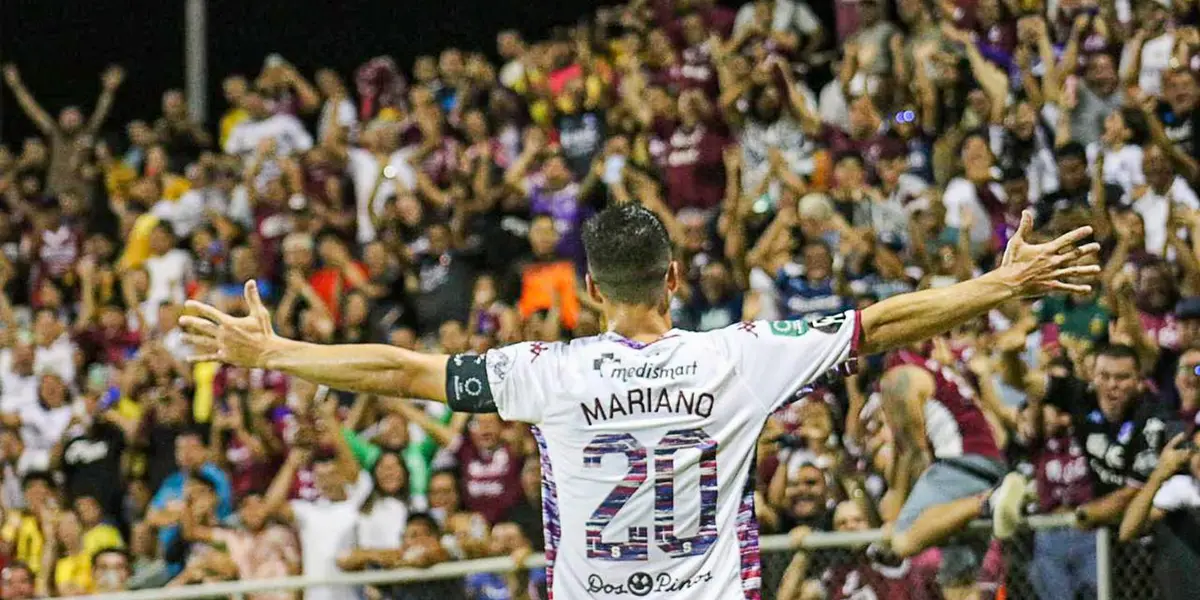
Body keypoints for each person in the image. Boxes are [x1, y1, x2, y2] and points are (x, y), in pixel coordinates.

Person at [180, 203, 1098, 598]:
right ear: (673, 277)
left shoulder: (552, 371)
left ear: (589, 287)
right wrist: (997, 285)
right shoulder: (737, 358)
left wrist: (276, 350)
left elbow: (404, 372)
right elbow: (883, 321)